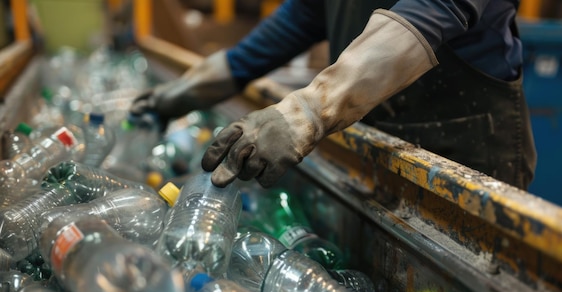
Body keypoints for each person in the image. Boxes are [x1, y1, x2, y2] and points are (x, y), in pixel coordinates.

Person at [131, 0, 537, 190]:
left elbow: (430, 11)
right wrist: (191, 88)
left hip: (466, 153)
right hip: (384, 141)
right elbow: (299, 18)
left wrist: (303, 113)